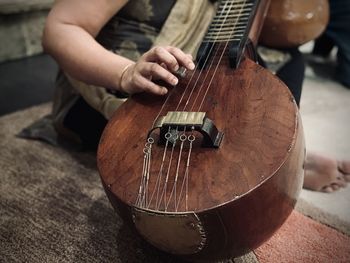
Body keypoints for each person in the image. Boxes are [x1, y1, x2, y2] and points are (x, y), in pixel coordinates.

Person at [42, 0, 350, 192]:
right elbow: (61, 27)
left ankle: (274, 161)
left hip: (191, 72)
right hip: (114, 86)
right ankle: (264, 162)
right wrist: (125, 73)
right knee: (160, 140)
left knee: (286, 61)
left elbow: (297, 23)